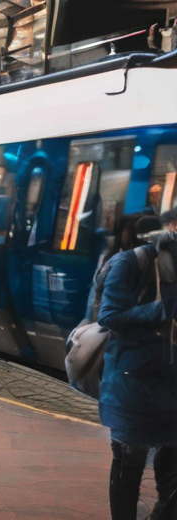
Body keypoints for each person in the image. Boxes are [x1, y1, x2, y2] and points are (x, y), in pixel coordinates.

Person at [98, 214, 177, 520]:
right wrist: (162, 309)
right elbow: (110, 315)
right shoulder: (130, 263)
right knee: (129, 464)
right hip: (133, 383)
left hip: (169, 384)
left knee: (171, 465)